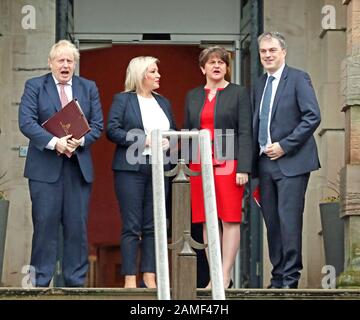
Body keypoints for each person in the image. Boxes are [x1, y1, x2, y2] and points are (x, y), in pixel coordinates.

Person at [18, 40, 103, 287]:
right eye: (60, 60)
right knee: (45, 226)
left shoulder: (88, 87)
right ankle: (41, 283)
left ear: (75, 64)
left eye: (69, 61)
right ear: (50, 63)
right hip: (45, 170)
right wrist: (56, 143)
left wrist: (81, 141)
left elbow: (97, 124)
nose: (65, 65)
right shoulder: (34, 85)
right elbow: (26, 122)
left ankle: (75, 284)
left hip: (78, 169)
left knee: (77, 228)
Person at [252, 32, 321, 289]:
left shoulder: (298, 78)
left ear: (283, 52)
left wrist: (284, 146)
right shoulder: (260, 83)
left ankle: (290, 280)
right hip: (265, 163)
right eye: (263, 51)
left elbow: (312, 116)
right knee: (272, 222)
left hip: (292, 161)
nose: (267, 55)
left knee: (289, 221)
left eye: (272, 50)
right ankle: (278, 276)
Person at [183, 46, 252, 289]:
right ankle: (214, 274)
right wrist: (186, 166)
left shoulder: (238, 93)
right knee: (205, 220)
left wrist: (244, 167)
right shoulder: (192, 95)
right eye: (211, 62)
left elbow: (245, 131)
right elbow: (188, 131)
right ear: (203, 68)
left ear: (227, 67)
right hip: (199, 163)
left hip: (229, 161)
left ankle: (225, 274)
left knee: (229, 219)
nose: (216, 66)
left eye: (221, 62)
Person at [106, 56, 176, 289]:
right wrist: (143, 140)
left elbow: (173, 130)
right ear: (140, 75)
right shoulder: (123, 100)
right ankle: (129, 278)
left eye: (158, 71)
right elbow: (112, 130)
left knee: (155, 225)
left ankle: (149, 275)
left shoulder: (163, 102)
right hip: (130, 169)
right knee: (132, 225)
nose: (158, 76)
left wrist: (169, 141)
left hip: (159, 168)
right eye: (153, 72)